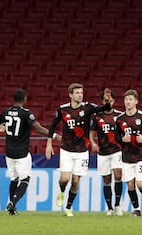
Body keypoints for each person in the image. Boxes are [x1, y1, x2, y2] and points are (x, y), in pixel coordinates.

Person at [0, 88, 61, 216]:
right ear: (24, 99)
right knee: (25, 179)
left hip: (9, 153)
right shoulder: (26, 113)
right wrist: (54, 135)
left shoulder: (5, 112)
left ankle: (11, 208)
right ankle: (13, 203)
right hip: (22, 153)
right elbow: (38, 128)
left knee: (14, 179)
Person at [45, 83, 111, 216]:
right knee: (64, 179)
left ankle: (69, 207)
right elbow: (52, 127)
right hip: (66, 149)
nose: (80, 95)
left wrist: (108, 101)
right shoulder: (62, 109)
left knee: (75, 181)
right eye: (77, 93)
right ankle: (62, 192)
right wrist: (49, 143)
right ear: (70, 95)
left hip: (82, 151)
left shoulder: (88, 107)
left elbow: (104, 108)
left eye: (81, 93)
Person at [115, 89, 142, 216]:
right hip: (126, 157)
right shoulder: (119, 119)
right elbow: (116, 137)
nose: (128, 102)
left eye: (130, 99)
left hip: (141, 156)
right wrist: (122, 139)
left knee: (141, 184)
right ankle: (136, 209)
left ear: (136, 101)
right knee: (130, 184)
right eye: (126, 99)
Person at [89, 91, 124, 216]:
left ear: (114, 101)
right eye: (105, 100)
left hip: (117, 150)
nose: (108, 102)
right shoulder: (97, 116)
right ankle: (109, 208)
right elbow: (92, 133)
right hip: (103, 152)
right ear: (102, 102)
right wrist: (93, 143)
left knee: (118, 175)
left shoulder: (120, 116)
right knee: (107, 179)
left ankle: (118, 205)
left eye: (110, 100)